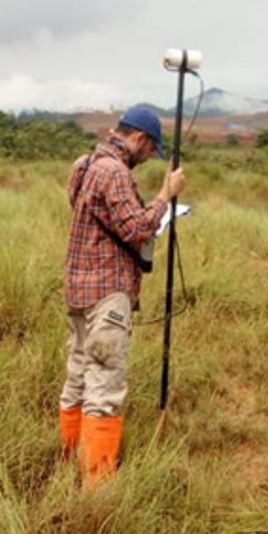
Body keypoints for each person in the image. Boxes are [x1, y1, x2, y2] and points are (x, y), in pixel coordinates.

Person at [59, 106, 186, 487]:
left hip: (79, 290)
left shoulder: (86, 163)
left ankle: (69, 464)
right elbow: (137, 228)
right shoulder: (113, 171)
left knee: (78, 378)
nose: (148, 159)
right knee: (104, 388)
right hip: (106, 294)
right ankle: (97, 491)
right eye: (150, 152)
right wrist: (166, 194)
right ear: (140, 139)